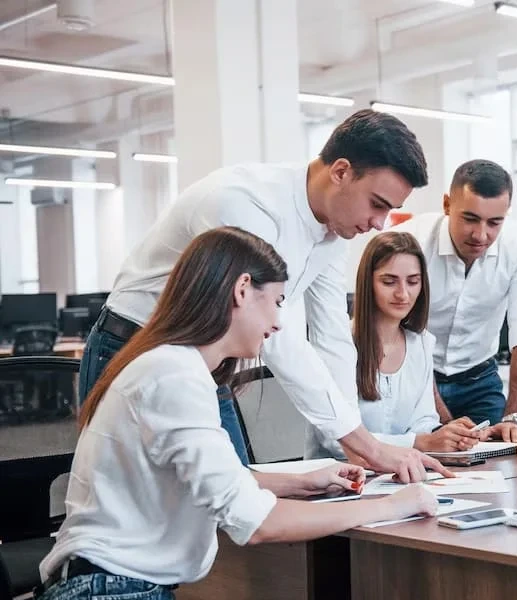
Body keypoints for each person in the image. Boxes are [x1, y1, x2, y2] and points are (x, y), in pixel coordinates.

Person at [20, 227, 438, 600]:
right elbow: (257, 525)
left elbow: (210, 480)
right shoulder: (173, 375)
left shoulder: (170, 366)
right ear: (242, 290)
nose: (278, 323)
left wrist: (302, 483)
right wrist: (393, 505)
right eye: (277, 302)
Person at [83, 109, 448, 482]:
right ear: (340, 172)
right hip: (134, 346)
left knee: (231, 501)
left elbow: (332, 336)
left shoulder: (334, 232)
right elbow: (278, 335)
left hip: (208, 360)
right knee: (141, 503)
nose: (378, 223)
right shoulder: (245, 204)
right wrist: (363, 442)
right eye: (377, 204)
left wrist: (354, 439)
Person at [392, 160, 517, 443]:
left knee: (500, 463)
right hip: (418, 374)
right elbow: (398, 332)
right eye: (470, 219)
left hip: (479, 379)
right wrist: (446, 424)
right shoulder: (410, 242)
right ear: (448, 205)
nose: (481, 235)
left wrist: (515, 418)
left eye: (494, 222)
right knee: (432, 462)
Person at [307, 231, 481, 459]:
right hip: (338, 481)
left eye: (413, 281)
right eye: (389, 282)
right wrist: (421, 442)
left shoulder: (421, 344)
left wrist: (446, 438)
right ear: (368, 283)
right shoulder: (339, 344)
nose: (403, 293)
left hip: (400, 476)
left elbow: (424, 420)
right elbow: (336, 440)